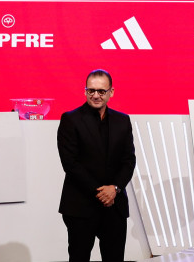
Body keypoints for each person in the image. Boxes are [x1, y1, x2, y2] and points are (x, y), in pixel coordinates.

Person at [57, 69, 137, 262]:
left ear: (111, 92)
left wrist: (115, 189)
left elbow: (129, 160)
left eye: (101, 91)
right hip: (81, 206)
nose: (95, 95)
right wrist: (101, 192)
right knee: (79, 258)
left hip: (114, 206)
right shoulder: (70, 119)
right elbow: (70, 163)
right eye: (90, 90)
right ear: (85, 91)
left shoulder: (122, 120)